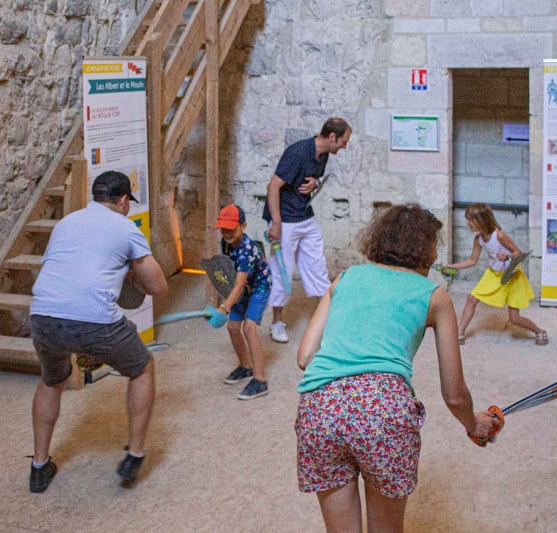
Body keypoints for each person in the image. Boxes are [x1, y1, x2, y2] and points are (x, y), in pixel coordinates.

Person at [295, 204, 499, 532]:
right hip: (383, 411)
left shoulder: (346, 278)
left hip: (320, 408)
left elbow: (305, 357)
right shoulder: (435, 296)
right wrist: (472, 423)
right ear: (427, 249)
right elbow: (455, 395)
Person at [27, 170, 168, 493]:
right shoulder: (125, 228)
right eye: (127, 203)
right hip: (94, 319)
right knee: (142, 367)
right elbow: (158, 286)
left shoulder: (67, 223)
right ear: (122, 201)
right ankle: (134, 455)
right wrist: (132, 268)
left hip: (43, 315)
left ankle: (38, 466)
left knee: (52, 380)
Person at [262, 117, 352, 343]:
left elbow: (311, 178)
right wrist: (276, 223)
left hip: (305, 216)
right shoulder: (298, 152)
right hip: (285, 219)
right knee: (282, 272)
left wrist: (315, 183)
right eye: (343, 141)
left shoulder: (323, 155)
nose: (344, 146)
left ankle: (329, 319)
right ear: (332, 137)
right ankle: (277, 323)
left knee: (317, 267)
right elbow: (273, 186)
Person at [445, 203, 548, 346]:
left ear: (482, 219)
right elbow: (472, 260)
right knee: (472, 299)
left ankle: (540, 331)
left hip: (511, 276)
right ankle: (459, 334)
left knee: (514, 319)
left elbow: (518, 253)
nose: (468, 223)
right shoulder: (478, 239)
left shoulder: (499, 235)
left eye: (470, 219)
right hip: (493, 274)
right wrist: (452, 266)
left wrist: (507, 256)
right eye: (467, 219)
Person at [211, 204, 273, 400]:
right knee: (232, 327)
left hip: (259, 287)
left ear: (243, 226)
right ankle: (246, 367)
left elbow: (239, 284)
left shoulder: (246, 250)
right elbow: (232, 276)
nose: (227, 233)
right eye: (224, 228)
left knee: (249, 328)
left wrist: (224, 306)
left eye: (232, 228)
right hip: (243, 288)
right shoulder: (226, 243)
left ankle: (260, 380)